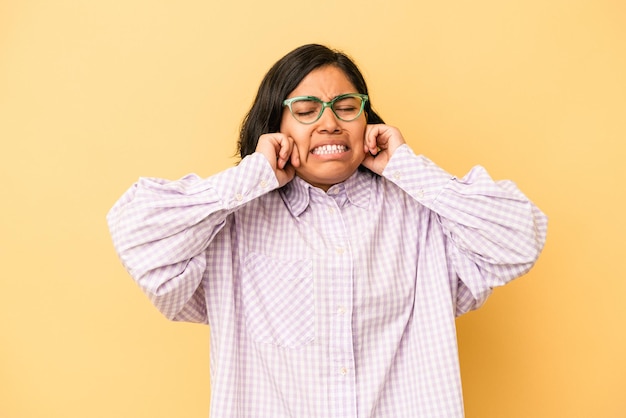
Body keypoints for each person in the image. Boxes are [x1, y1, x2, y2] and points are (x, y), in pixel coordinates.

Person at [107, 44, 547, 418]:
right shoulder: (231, 225)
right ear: (275, 126)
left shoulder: (421, 217)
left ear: (367, 119)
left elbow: (519, 238)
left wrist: (407, 168)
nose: (330, 122)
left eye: (346, 106)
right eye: (305, 110)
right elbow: (137, 236)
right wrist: (251, 176)